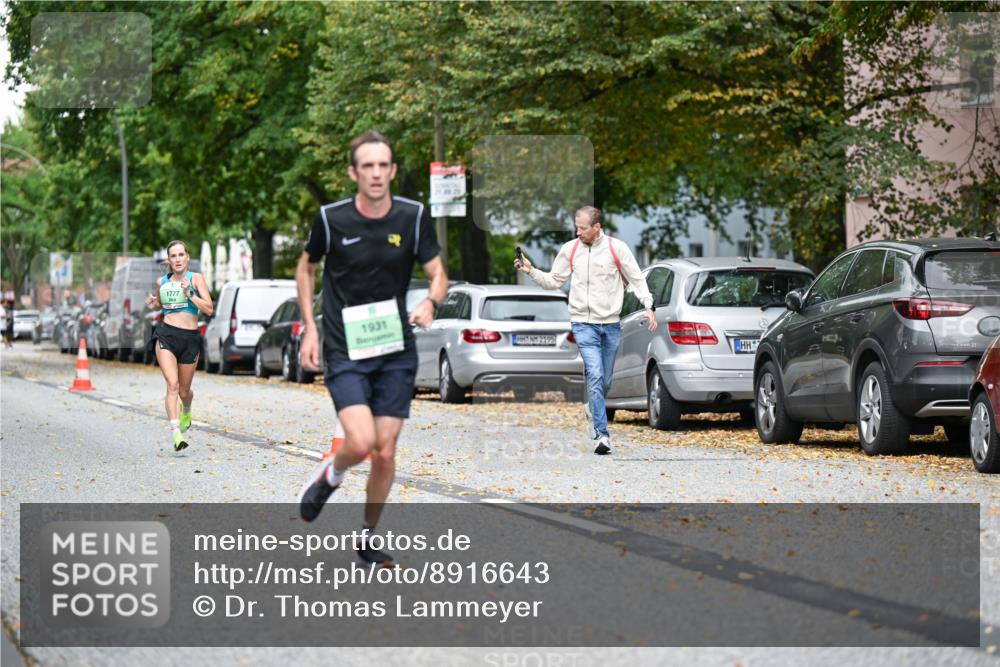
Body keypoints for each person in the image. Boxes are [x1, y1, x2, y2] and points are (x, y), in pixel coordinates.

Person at [296, 130, 447, 567]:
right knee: (360, 441)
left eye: (384, 166)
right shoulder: (331, 219)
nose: (376, 174)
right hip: (345, 347)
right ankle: (333, 472)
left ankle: (366, 536)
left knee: (385, 450)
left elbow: (439, 273)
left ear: (393, 170)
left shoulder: (413, 216)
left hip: (394, 347)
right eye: (368, 166)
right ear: (353, 172)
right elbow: (305, 271)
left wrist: (431, 300)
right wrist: (310, 327)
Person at [517, 206, 658, 455]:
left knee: (605, 381)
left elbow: (636, 279)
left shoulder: (617, 249)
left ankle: (593, 408)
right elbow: (554, 281)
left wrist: (649, 306)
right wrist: (531, 270)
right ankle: (601, 435)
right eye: (577, 227)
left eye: (583, 228)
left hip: (612, 324)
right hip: (583, 323)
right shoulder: (570, 250)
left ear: (597, 227)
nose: (578, 231)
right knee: (594, 374)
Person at [145, 240, 214, 452]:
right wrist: (153, 303)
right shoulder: (162, 281)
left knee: (184, 391)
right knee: (172, 385)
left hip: (190, 338)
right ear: (168, 260)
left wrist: (190, 294)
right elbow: (160, 303)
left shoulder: (197, 279)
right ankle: (176, 435)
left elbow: (209, 309)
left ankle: (187, 408)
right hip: (167, 335)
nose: (177, 259)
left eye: (181, 255)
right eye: (173, 256)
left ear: (187, 257)